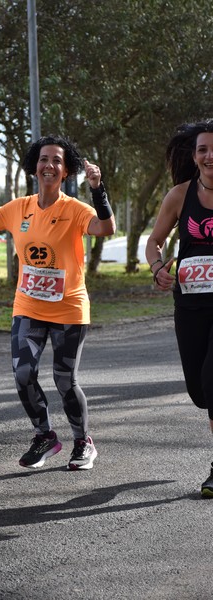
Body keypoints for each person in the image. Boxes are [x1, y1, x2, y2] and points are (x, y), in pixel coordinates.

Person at [0, 135, 115, 470]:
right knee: (23, 373)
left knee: (64, 379)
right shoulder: (18, 208)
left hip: (69, 307)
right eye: (43, 159)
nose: (49, 165)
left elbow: (106, 227)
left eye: (57, 160)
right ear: (34, 167)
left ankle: (83, 442)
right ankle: (44, 436)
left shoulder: (75, 209)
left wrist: (97, 189)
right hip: (28, 306)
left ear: (65, 171)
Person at [146, 120, 213, 497]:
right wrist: (157, 268)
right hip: (189, 303)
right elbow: (154, 241)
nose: (210, 156)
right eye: (203, 149)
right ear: (194, 155)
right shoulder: (179, 195)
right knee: (199, 391)